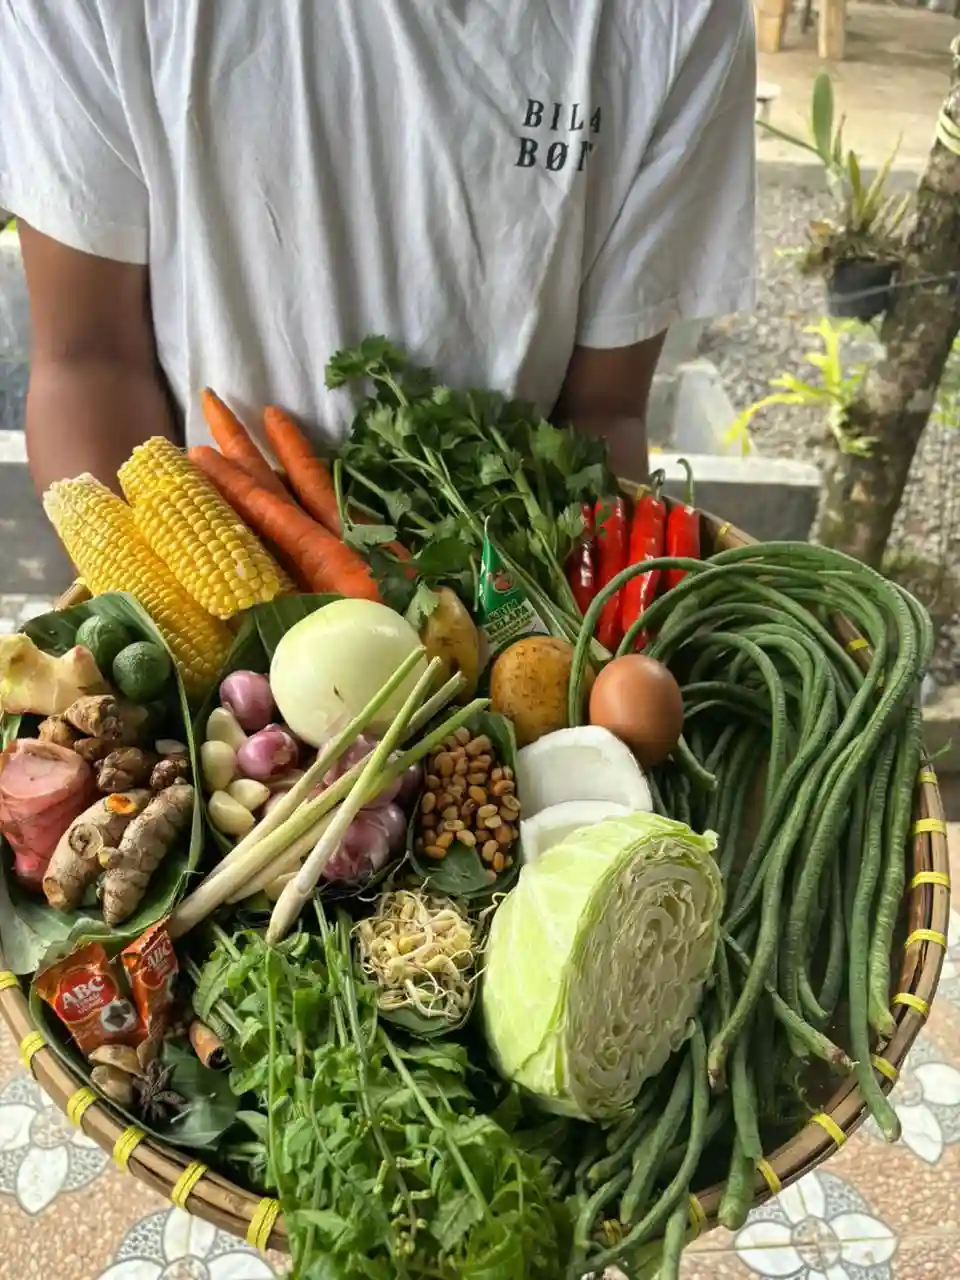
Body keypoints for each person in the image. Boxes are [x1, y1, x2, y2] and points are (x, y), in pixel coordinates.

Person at [0, 1, 756, 496]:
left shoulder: (675, 17)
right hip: (214, 597)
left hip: (510, 593)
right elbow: (90, 358)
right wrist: (180, 643)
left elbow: (603, 414)